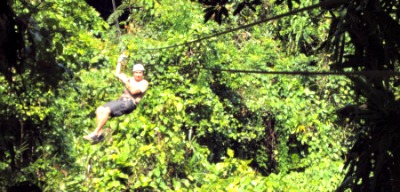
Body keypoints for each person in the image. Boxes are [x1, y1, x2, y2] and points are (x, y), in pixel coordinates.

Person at [84, 54, 149, 144]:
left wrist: (126, 81)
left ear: (143, 74)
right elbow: (118, 73)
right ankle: (99, 134)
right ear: (133, 73)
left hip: (130, 103)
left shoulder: (144, 83)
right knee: (99, 109)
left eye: (140, 73)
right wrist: (119, 62)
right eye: (136, 72)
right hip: (121, 100)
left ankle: (95, 133)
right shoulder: (130, 79)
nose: (138, 74)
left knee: (107, 110)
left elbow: (133, 91)